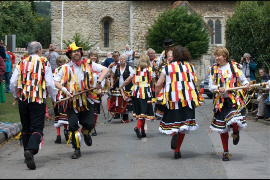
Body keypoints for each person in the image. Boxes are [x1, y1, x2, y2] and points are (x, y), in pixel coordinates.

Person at [54, 42, 109, 159]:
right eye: (74, 51)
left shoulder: (89, 64)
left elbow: (105, 69)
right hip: (71, 101)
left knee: (89, 124)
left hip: (87, 100)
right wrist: (65, 90)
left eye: (78, 51)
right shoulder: (64, 68)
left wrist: (99, 82)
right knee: (73, 126)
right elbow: (55, 81)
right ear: (70, 54)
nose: (77, 53)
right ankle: (76, 149)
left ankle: (87, 134)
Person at [9, 41, 57, 170]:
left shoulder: (21, 62)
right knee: (37, 128)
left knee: (26, 128)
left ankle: (27, 154)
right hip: (37, 100)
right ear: (39, 50)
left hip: (23, 100)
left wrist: (16, 95)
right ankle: (30, 151)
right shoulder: (43, 62)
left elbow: (13, 82)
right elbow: (49, 83)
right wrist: (54, 97)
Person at [155, 45, 202, 159]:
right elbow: (194, 82)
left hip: (172, 99)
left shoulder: (167, 67)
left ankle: (173, 134)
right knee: (183, 125)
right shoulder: (190, 67)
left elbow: (158, 84)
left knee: (173, 123)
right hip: (187, 99)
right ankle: (177, 150)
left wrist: (157, 98)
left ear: (174, 55)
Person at [208, 47, 250, 161]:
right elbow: (210, 86)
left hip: (234, 100)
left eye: (219, 56)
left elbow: (244, 81)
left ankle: (235, 132)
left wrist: (246, 85)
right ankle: (225, 152)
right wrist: (218, 88)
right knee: (223, 128)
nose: (217, 58)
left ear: (225, 56)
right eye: (216, 56)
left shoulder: (235, 67)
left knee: (235, 119)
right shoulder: (213, 70)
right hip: (221, 102)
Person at [129, 53, 155, 138]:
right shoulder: (151, 70)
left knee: (140, 112)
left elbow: (129, 80)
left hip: (136, 93)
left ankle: (142, 132)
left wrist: (121, 87)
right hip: (146, 93)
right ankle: (137, 127)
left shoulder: (135, 70)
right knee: (144, 112)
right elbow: (153, 82)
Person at [110, 54, 135, 123]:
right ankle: (118, 113)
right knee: (118, 101)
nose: (122, 60)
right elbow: (112, 77)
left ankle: (125, 117)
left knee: (126, 102)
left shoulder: (129, 68)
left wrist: (121, 86)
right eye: (121, 59)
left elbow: (129, 79)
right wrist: (112, 84)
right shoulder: (116, 67)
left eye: (124, 59)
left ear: (126, 60)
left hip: (126, 88)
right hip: (117, 87)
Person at [86, 51, 105, 136]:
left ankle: (93, 127)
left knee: (95, 111)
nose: (93, 57)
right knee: (87, 111)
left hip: (96, 92)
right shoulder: (86, 67)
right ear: (89, 57)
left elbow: (103, 79)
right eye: (92, 56)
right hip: (87, 92)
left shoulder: (99, 67)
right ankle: (86, 127)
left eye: (95, 56)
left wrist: (100, 88)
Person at [53, 56, 69, 144]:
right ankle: (66, 131)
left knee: (57, 115)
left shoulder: (54, 71)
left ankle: (58, 136)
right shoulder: (66, 70)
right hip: (64, 95)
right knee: (64, 115)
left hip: (56, 96)